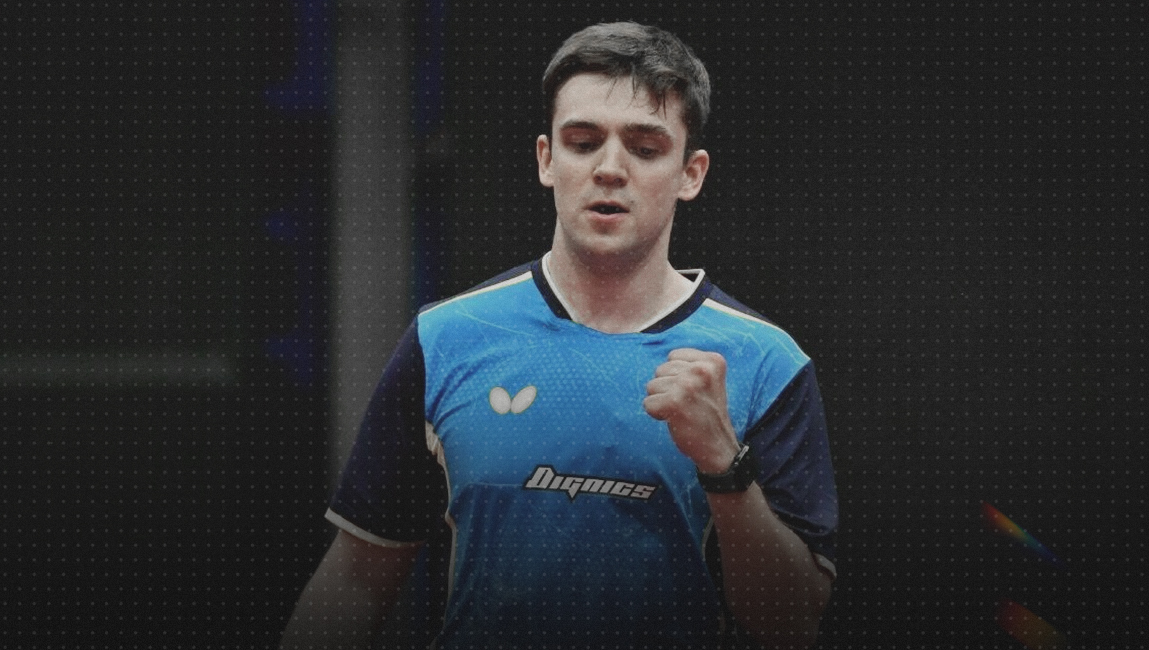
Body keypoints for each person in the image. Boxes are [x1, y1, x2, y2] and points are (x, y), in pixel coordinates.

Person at [282, 21, 838, 650]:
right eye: (583, 142)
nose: (609, 169)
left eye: (645, 148)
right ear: (547, 159)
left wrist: (724, 466)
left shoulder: (765, 363)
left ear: (691, 173)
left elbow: (793, 625)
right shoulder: (448, 339)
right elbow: (354, 583)